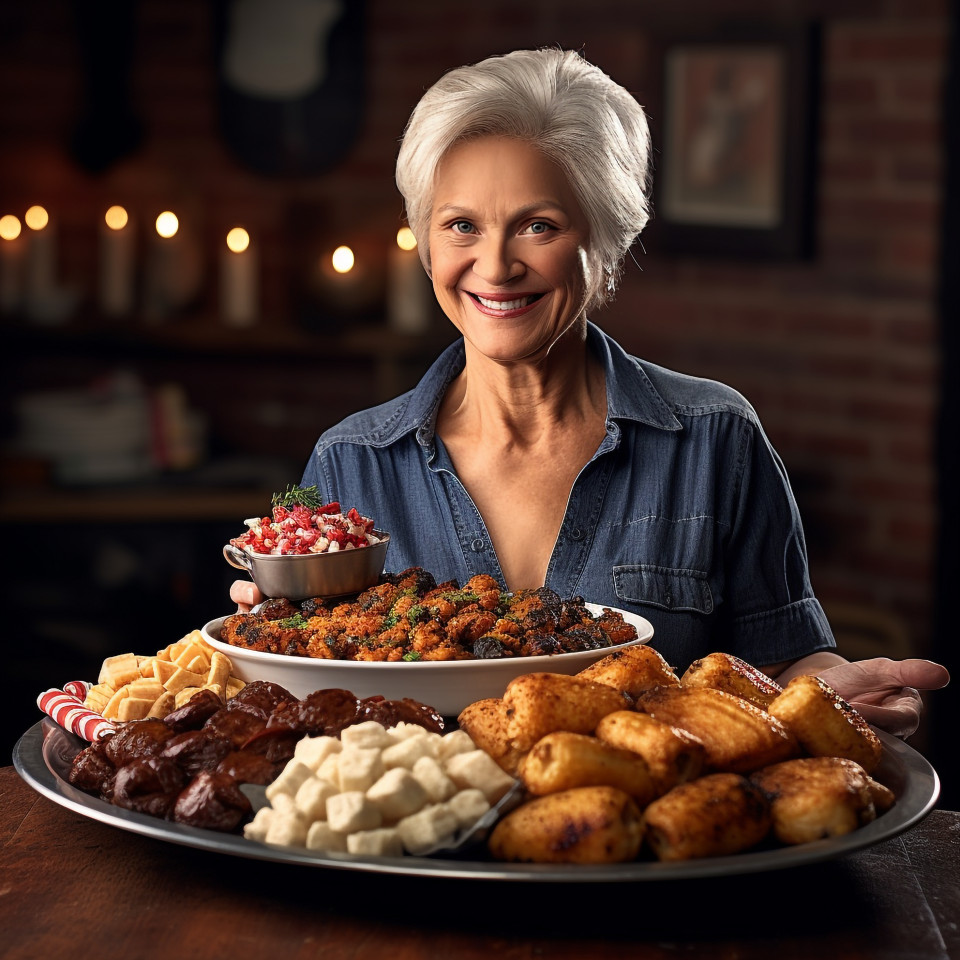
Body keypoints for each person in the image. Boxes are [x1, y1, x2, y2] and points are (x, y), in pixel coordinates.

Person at [231, 48, 948, 736]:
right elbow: (309, 693)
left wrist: (834, 695)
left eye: (538, 225)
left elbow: (782, 664)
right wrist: (268, 638)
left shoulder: (713, 439)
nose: (495, 264)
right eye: (461, 226)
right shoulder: (352, 463)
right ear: (426, 246)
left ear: (605, 248)